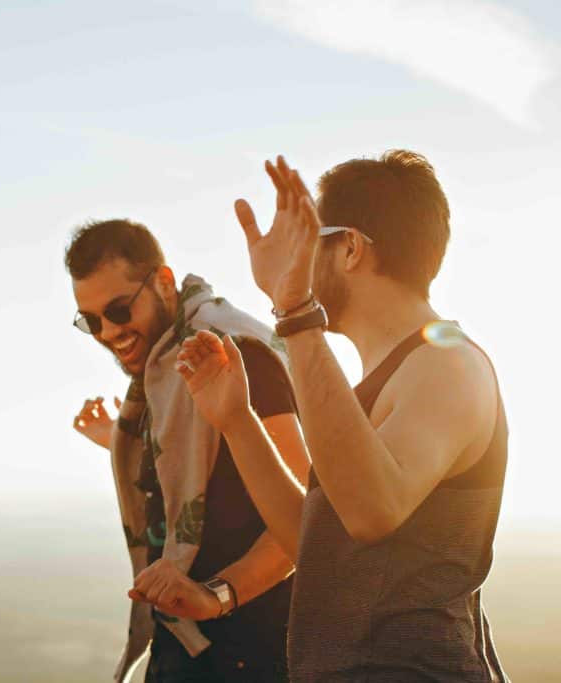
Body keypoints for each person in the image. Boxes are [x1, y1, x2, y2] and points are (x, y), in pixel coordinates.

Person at [140, 152, 510, 681]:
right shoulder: (377, 383)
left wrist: (294, 313)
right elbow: (318, 547)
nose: (298, 262)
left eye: (309, 243)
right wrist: (238, 423)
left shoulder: (447, 361)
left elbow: (371, 510)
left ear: (351, 248)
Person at [67, 219, 309, 682]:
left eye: (118, 310)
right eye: (91, 320)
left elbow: (302, 520)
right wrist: (120, 441)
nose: (106, 332)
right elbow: (204, 474)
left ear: (162, 282)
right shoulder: (162, 375)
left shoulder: (234, 355)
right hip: (184, 648)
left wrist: (217, 596)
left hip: (251, 652)